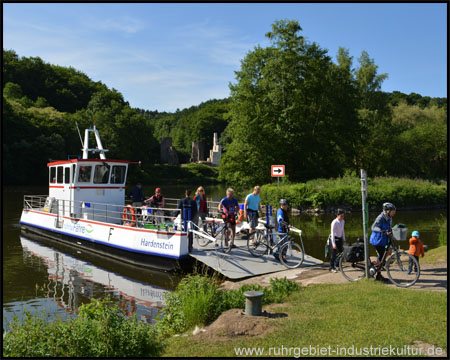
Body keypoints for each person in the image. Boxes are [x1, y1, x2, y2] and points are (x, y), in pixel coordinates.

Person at [369, 202, 396, 282]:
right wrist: (382, 231)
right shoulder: (380, 217)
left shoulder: (389, 218)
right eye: (392, 211)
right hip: (377, 240)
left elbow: (389, 227)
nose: (393, 213)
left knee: (387, 253)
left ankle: (375, 266)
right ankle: (377, 274)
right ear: (387, 211)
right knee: (382, 256)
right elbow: (373, 227)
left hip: (384, 239)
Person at [328, 209, 346, 273]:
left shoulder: (343, 221)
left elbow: (342, 230)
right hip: (333, 239)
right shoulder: (334, 222)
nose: (342, 217)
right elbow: (332, 233)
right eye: (341, 216)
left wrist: (344, 239)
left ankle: (337, 264)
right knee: (334, 254)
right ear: (337, 215)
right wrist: (333, 244)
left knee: (342, 252)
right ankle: (331, 267)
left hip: (339, 238)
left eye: (343, 216)